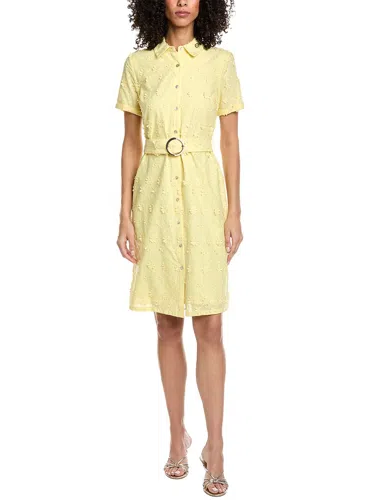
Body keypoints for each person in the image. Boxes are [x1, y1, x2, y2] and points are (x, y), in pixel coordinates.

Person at [115, 0, 244, 496]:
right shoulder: (138, 65)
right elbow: (130, 143)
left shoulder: (220, 62)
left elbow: (230, 142)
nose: (183, 2)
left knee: (210, 324)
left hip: (205, 198)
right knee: (166, 323)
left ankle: (217, 445)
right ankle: (176, 435)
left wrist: (234, 212)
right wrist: (125, 213)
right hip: (153, 196)